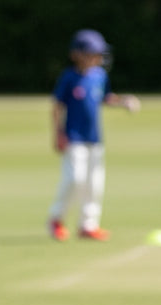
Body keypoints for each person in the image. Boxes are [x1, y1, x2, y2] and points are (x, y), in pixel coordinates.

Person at [47, 29, 140, 242]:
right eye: (92, 53)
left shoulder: (100, 76)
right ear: (77, 54)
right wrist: (58, 134)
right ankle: (57, 218)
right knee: (74, 179)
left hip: (94, 139)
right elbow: (57, 107)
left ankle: (88, 224)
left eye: (99, 53)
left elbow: (106, 98)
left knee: (94, 182)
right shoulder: (69, 77)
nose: (97, 57)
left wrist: (124, 101)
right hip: (73, 138)